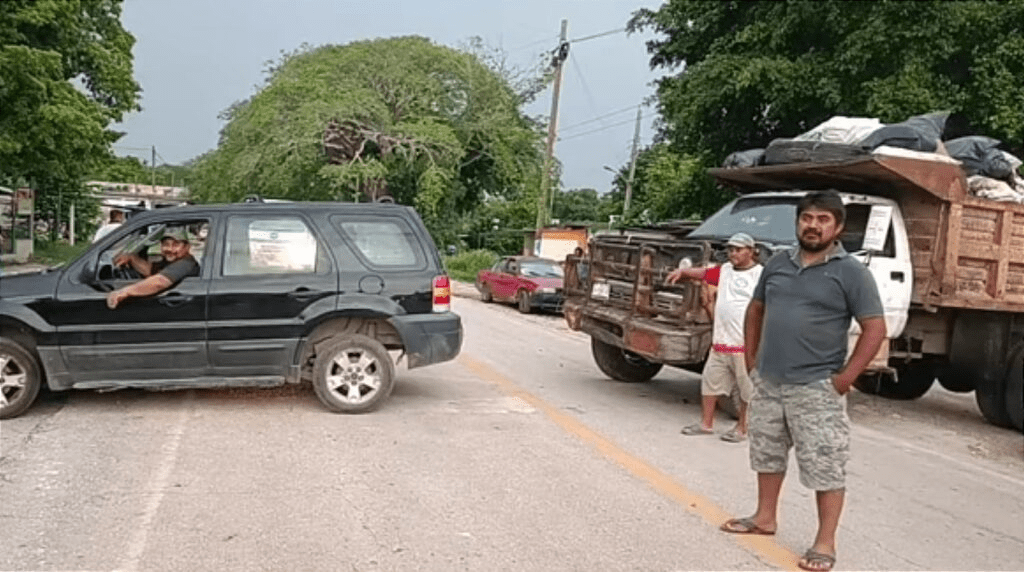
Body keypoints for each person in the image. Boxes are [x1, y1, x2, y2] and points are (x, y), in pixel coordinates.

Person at [721, 191, 886, 572]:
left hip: (817, 387)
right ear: (798, 222)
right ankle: (764, 518)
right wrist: (752, 360)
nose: (813, 225)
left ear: (838, 227)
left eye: (823, 219)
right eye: (807, 218)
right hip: (770, 382)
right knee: (767, 453)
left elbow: (875, 329)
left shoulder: (851, 273)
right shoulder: (778, 263)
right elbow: (756, 309)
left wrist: (843, 380)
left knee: (825, 466)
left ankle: (825, 543)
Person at [667, 232, 763, 442]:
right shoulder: (725, 271)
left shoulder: (760, 275)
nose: (733, 254)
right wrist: (683, 272)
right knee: (710, 384)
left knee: (747, 389)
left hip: (743, 345)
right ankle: (706, 423)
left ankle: (742, 428)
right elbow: (703, 273)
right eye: (731, 249)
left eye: (738, 250)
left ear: (751, 251)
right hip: (721, 342)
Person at [106, 227, 200, 309]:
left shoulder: (186, 264)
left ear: (187, 247)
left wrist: (124, 292)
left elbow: (159, 282)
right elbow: (150, 271)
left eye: (176, 245)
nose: (169, 249)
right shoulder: (170, 262)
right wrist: (132, 258)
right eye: (166, 244)